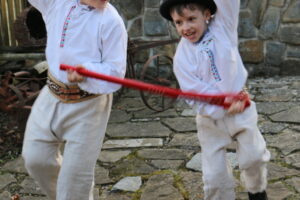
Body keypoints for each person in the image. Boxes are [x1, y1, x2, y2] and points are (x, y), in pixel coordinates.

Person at [159, 0, 270, 199]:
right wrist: (221, 103)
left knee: (254, 157)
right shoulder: (182, 58)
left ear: (207, 14)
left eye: (192, 19)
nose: (186, 27)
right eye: (179, 22)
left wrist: (233, 100)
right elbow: (194, 94)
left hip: (241, 108)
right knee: (214, 175)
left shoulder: (223, 28)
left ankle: (257, 192)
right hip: (210, 118)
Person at [22, 0, 127, 199]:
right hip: (51, 96)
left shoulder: (111, 21)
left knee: (76, 180)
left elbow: (115, 73)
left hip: (89, 105)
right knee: (36, 159)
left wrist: (89, 71)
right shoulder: (56, 3)